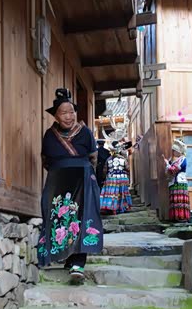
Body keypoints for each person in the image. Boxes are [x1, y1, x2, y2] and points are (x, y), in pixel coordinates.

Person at [37, 88, 104, 283]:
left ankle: (78, 263)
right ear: (56, 116)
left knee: (82, 217)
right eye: (64, 113)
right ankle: (67, 256)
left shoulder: (86, 132)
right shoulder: (50, 135)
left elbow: (93, 158)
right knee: (60, 217)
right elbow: (46, 160)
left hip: (82, 179)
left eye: (71, 112)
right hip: (58, 180)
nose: (69, 116)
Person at [100, 143, 133, 214]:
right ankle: (122, 207)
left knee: (112, 194)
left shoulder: (109, 159)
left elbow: (105, 170)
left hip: (111, 178)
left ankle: (112, 208)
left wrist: (103, 178)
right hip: (122, 178)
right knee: (121, 193)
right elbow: (128, 168)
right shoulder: (123, 158)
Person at [163, 139, 190, 222]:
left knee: (180, 200)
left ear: (179, 152)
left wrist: (167, 164)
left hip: (180, 181)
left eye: (174, 151)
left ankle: (182, 217)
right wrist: (168, 163)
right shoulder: (176, 160)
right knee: (175, 200)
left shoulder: (182, 159)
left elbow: (174, 170)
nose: (173, 152)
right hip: (174, 182)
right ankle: (176, 217)